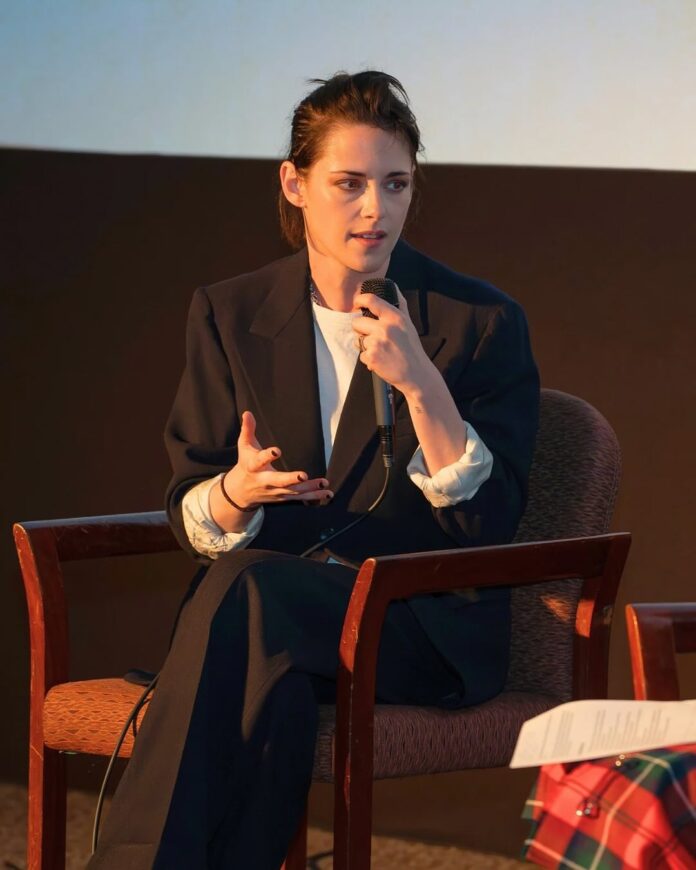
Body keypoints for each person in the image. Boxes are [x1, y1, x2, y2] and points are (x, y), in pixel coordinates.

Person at [89, 70, 539, 869]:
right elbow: (193, 498)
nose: (376, 209)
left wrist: (422, 384)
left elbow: (490, 522)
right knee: (275, 689)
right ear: (294, 185)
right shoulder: (230, 312)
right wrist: (235, 493)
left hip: (414, 624)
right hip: (274, 631)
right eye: (350, 183)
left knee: (249, 593)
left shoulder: (478, 320)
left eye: (396, 184)